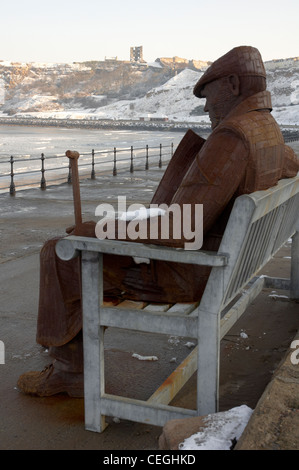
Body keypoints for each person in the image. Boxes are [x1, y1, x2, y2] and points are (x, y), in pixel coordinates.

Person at [17, 46, 299, 397]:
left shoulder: (231, 137)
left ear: (232, 83)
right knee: (82, 249)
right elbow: (292, 167)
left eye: (209, 96)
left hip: (189, 275)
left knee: (60, 255)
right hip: (226, 264)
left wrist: (99, 229)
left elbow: (181, 228)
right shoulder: (267, 129)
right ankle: (72, 360)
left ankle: (70, 371)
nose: (206, 107)